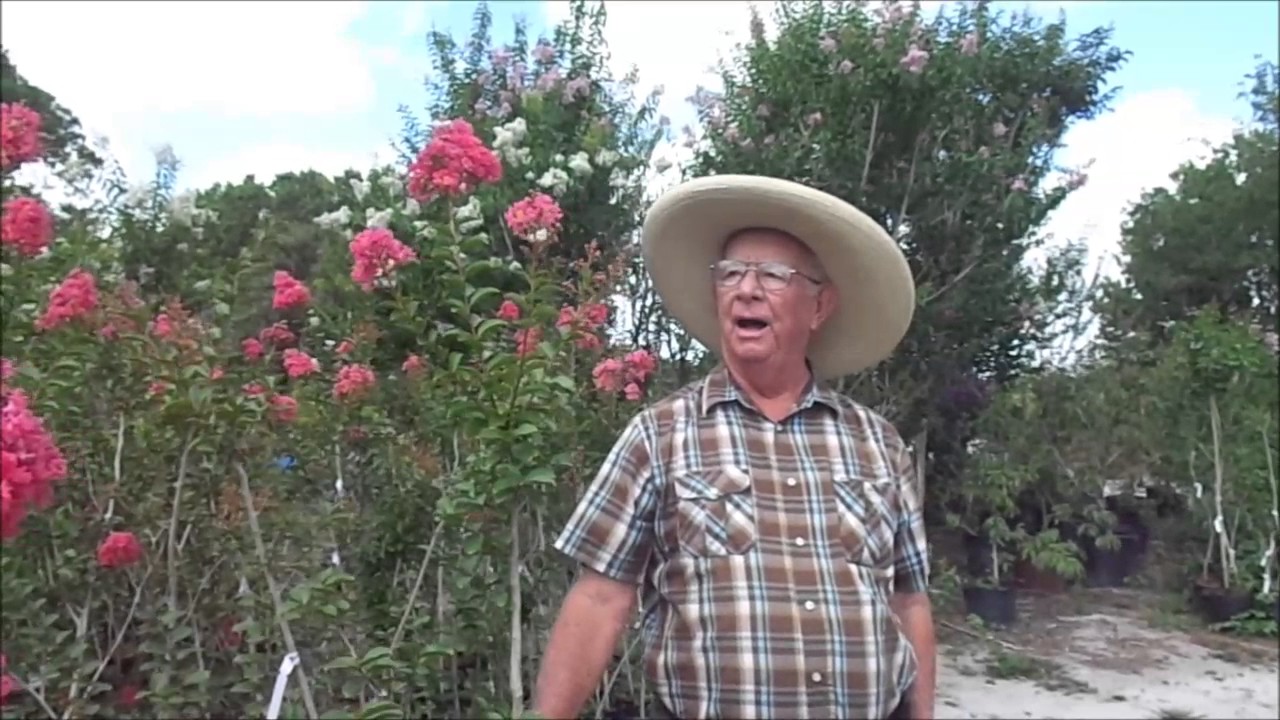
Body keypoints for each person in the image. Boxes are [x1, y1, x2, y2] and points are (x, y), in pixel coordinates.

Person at [531, 175, 936, 720]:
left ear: (820, 307)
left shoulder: (877, 442)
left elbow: (909, 599)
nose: (746, 288)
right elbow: (600, 598)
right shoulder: (661, 434)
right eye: (731, 274)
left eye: (772, 275)